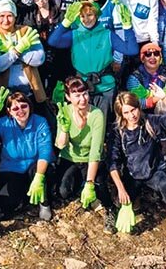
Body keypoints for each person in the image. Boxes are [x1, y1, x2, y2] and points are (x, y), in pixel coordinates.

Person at [108, 89, 166, 239]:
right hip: (132, 174)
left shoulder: (151, 121)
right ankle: (133, 199)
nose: (132, 115)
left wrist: (165, 99)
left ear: (139, 107)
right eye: (126, 113)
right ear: (121, 115)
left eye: (134, 110)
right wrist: (120, 188)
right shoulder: (118, 132)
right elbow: (112, 161)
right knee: (124, 202)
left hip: (154, 171)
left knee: (165, 184)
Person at [47, 0, 138, 124]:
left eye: (90, 15)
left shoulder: (107, 34)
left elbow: (131, 50)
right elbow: (53, 41)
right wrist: (66, 22)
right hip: (82, 87)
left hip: (105, 87)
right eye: (82, 16)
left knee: (103, 124)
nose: (86, 19)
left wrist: (127, 27)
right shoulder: (75, 34)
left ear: (96, 15)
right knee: (83, 124)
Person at [0, 90, 53, 221]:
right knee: (7, 204)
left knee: (39, 173)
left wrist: (39, 177)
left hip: (34, 166)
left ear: (29, 106)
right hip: (11, 168)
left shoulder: (40, 122)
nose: (20, 111)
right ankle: (23, 194)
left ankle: (44, 203)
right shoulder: (5, 123)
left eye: (24, 106)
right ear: (9, 111)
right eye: (15, 108)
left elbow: (45, 151)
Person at [53, 76, 116, 231]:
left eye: (85, 94)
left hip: (90, 158)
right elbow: (60, 144)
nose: (83, 99)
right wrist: (65, 129)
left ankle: (110, 209)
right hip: (70, 157)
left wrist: (90, 183)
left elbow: (96, 151)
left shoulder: (97, 114)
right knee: (62, 192)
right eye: (77, 95)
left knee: (100, 186)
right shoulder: (64, 112)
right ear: (68, 97)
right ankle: (81, 186)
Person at [0, 0, 47, 106]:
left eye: (9, 15)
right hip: (3, 94)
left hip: (30, 91)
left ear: (15, 16)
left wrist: (19, 52)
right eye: (1, 16)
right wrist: (16, 50)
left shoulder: (26, 31)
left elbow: (39, 59)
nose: (6, 20)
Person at [125, 43, 166, 111]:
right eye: (148, 54)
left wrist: (150, 96)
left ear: (160, 58)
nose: (152, 57)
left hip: (165, 110)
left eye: (156, 53)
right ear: (142, 59)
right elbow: (138, 102)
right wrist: (161, 96)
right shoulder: (134, 78)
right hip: (142, 114)